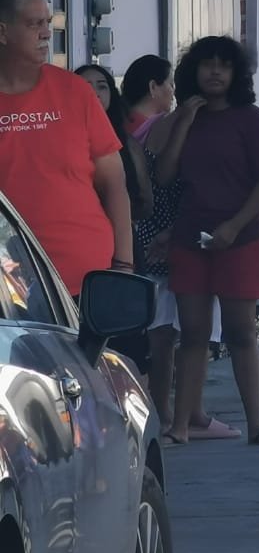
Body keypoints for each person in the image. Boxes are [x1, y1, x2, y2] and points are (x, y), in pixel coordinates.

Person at [151, 36, 259, 447]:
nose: (214, 72)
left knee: (242, 332)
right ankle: (181, 424)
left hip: (243, 237)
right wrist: (184, 122)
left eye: (222, 66)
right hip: (191, 236)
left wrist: (233, 225)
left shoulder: (251, 118)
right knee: (192, 333)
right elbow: (164, 176)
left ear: (235, 73)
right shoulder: (184, 117)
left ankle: (257, 425)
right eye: (206, 65)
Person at [121, 54, 233, 439]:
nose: (170, 92)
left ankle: (167, 413)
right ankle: (184, 414)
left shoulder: (130, 127)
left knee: (162, 332)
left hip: (150, 233)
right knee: (188, 332)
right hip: (175, 234)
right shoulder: (176, 122)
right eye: (165, 84)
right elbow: (173, 177)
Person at [0, 0, 133, 293]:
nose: (47, 32)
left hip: (86, 275)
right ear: (2, 32)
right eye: (34, 24)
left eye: (47, 22)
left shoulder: (74, 91)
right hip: (10, 285)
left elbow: (114, 182)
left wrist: (124, 265)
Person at [75, 64, 154, 373]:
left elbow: (144, 201)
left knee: (128, 343)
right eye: (85, 86)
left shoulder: (127, 143)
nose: (94, 93)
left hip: (122, 244)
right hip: (78, 249)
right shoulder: (66, 139)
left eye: (102, 86)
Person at [121, 54, 175, 136]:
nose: (173, 90)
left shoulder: (120, 122)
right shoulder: (148, 133)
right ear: (153, 87)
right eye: (171, 84)